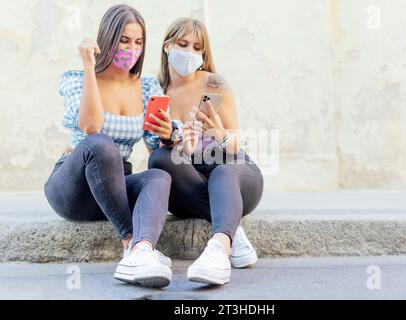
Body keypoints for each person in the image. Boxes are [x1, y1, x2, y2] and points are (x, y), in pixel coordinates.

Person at [44, 4, 181, 288]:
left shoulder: (146, 87)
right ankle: (131, 242)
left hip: (115, 185)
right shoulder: (77, 79)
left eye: (139, 42)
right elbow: (92, 127)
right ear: (107, 38)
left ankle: (142, 250)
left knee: (159, 175)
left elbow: (156, 142)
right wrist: (89, 68)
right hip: (75, 188)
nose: (132, 49)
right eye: (124, 40)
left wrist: (169, 133)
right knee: (101, 144)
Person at [147, 17, 264, 285]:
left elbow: (234, 143)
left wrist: (220, 136)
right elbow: (154, 147)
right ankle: (228, 223)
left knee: (223, 167)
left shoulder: (212, 84)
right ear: (167, 47)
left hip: (233, 172)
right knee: (159, 159)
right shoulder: (157, 92)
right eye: (183, 44)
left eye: (197, 48)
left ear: (203, 54)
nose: (189, 53)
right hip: (191, 184)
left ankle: (220, 246)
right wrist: (172, 140)